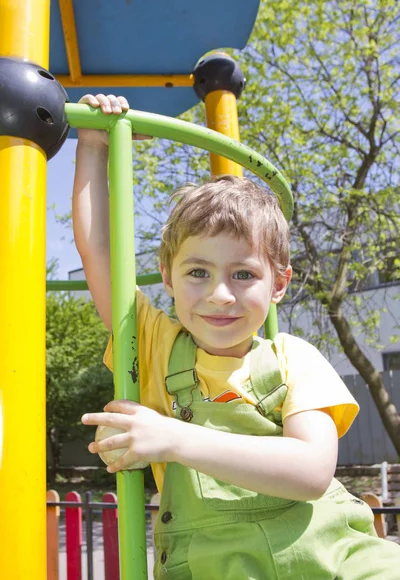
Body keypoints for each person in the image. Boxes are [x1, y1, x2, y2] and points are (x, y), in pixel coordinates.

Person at [74, 94, 400, 579]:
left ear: (280, 284)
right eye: (198, 272)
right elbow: (98, 247)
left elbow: (311, 472)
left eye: (244, 275)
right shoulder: (153, 344)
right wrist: (93, 145)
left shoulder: (293, 359)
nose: (220, 295)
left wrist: (172, 437)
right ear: (166, 275)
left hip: (329, 563)